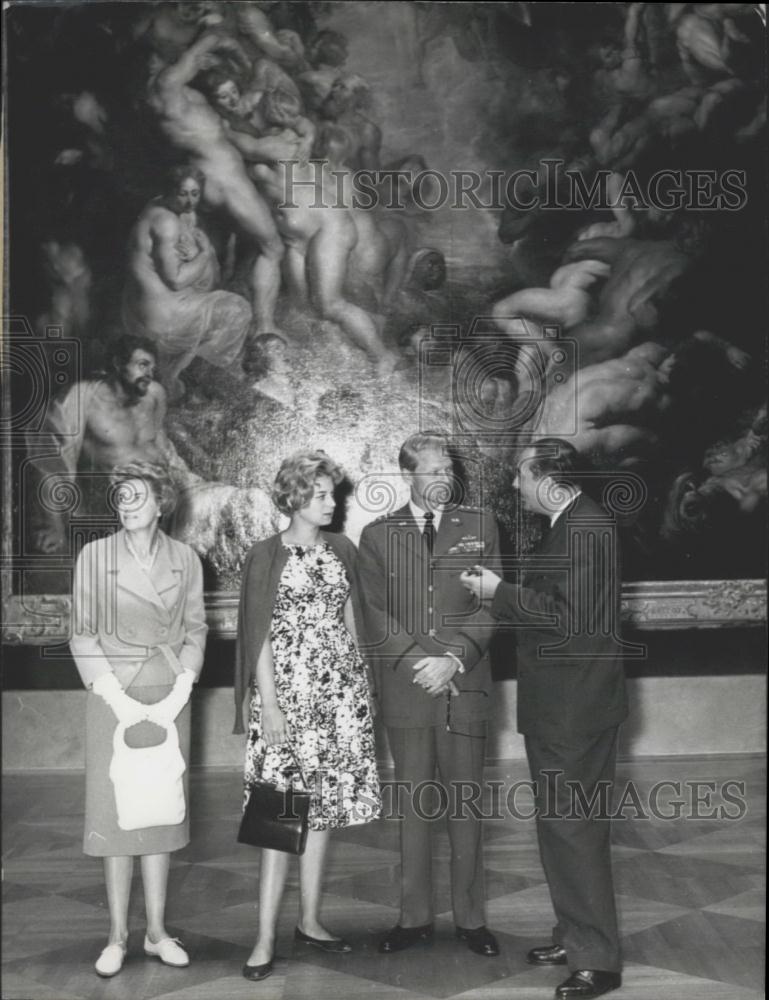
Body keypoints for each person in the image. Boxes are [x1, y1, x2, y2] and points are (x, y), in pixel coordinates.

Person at [461, 439, 627, 1000]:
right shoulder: (574, 522)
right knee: (563, 827)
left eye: (522, 475)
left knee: (572, 830)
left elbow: (568, 619)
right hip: (568, 703)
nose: (515, 485)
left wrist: (498, 592)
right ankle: (574, 935)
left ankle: (597, 961)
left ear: (549, 480)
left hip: (572, 708)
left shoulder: (585, 528)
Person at [234, 450, 381, 982]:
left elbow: (352, 617)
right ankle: (264, 938)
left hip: (339, 700)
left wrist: (362, 687)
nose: (330, 503)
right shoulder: (265, 554)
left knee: (321, 814)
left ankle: (311, 921)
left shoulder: (342, 548)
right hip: (287, 701)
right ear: (294, 498)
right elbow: (258, 636)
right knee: (280, 815)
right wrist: (269, 704)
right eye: (320, 495)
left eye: (332, 494)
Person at [357, 431, 502, 958]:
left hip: (465, 685)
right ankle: (413, 918)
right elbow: (373, 612)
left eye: (449, 469)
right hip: (409, 687)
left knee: (466, 807)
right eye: (434, 470)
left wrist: (454, 658)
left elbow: (491, 603)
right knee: (415, 810)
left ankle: (471, 920)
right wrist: (420, 664)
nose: (445, 478)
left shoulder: (480, 525)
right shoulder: (377, 534)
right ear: (408, 475)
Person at [70, 461, 207, 978]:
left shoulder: (185, 559)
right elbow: (82, 632)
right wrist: (114, 695)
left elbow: (195, 629)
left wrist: (182, 687)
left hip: (168, 695)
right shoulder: (95, 556)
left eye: (138, 496)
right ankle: (116, 936)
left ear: (162, 503)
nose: (127, 506)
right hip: (112, 695)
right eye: (121, 496)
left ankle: (156, 932)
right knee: (116, 816)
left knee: (160, 812)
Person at [146, 31, 284, 334]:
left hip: (208, 180)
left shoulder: (173, 94)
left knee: (218, 257)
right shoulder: (166, 84)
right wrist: (222, 41)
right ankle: (264, 327)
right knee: (272, 247)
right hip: (225, 180)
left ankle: (220, 326)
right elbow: (208, 42)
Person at [122, 164, 253, 395]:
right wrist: (204, 253)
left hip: (141, 308)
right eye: (182, 194)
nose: (190, 202)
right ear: (169, 191)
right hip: (163, 317)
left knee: (215, 296)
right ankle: (185, 376)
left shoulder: (157, 206)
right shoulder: (166, 223)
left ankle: (183, 374)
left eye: (195, 194)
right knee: (238, 308)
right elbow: (176, 280)